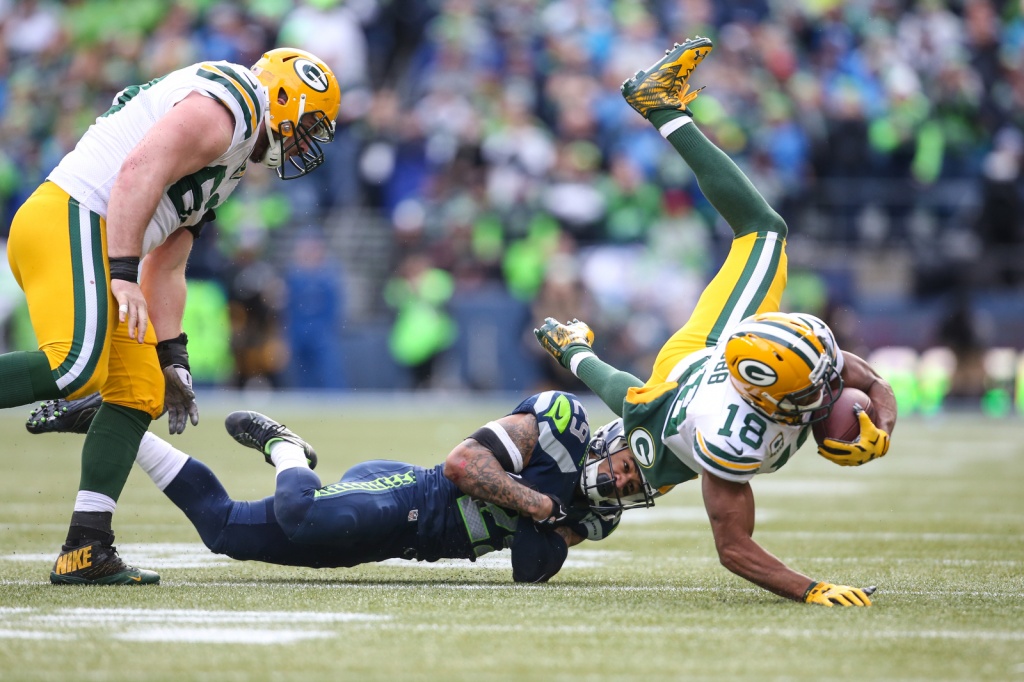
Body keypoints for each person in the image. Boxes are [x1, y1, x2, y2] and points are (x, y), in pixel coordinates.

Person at [534, 37, 898, 607]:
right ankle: (660, 105)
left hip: (708, 360)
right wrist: (811, 590)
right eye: (822, 388)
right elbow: (733, 547)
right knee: (766, 231)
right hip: (695, 376)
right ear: (774, 402)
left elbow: (859, 376)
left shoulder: (802, 367)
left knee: (764, 231)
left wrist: (885, 413)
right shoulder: (727, 436)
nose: (835, 387)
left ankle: (662, 108)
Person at [3, 47, 342, 585]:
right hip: (75, 214)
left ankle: (85, 548)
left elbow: (169, 261)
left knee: (140, 391)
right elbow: (140, 168)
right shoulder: (235, 99)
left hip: (105, 232)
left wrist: (172, 354)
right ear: (284, 95)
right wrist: (119, 271)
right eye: (309, 124)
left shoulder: (231, 162)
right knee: (74, 367)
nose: (306, 141)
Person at [27, 391, 620, 582]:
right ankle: (285, 447)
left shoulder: (596, 514)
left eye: (631, 483)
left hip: (395, 539)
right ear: (608, 445)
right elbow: (464, 467)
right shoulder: (559, 426)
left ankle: (118, 428)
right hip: (405, 495)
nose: (621, 482)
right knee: (307, 516)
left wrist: (561, 521)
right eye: (623, 467)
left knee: (223, 531)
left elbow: (529, 567)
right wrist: (543, 504)